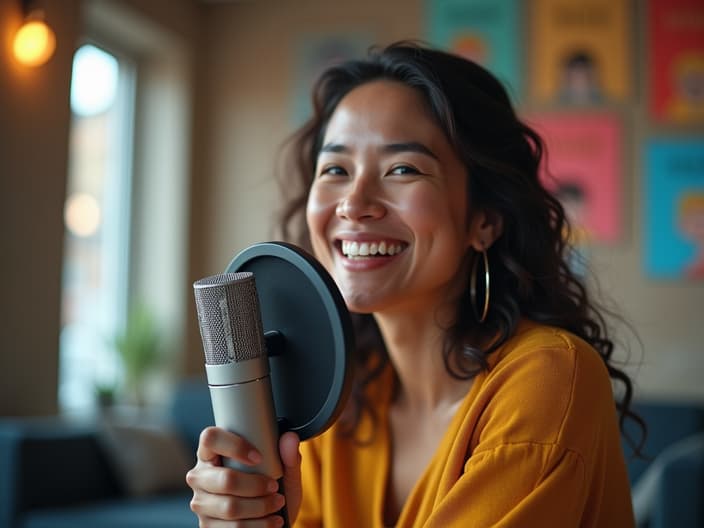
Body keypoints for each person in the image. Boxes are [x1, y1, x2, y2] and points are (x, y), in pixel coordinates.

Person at [186, 42, 643, 527]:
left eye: (402, 169)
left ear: (484, 219)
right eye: (336, 170)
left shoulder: (548, 377)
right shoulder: (337, 409)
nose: (354, 204)